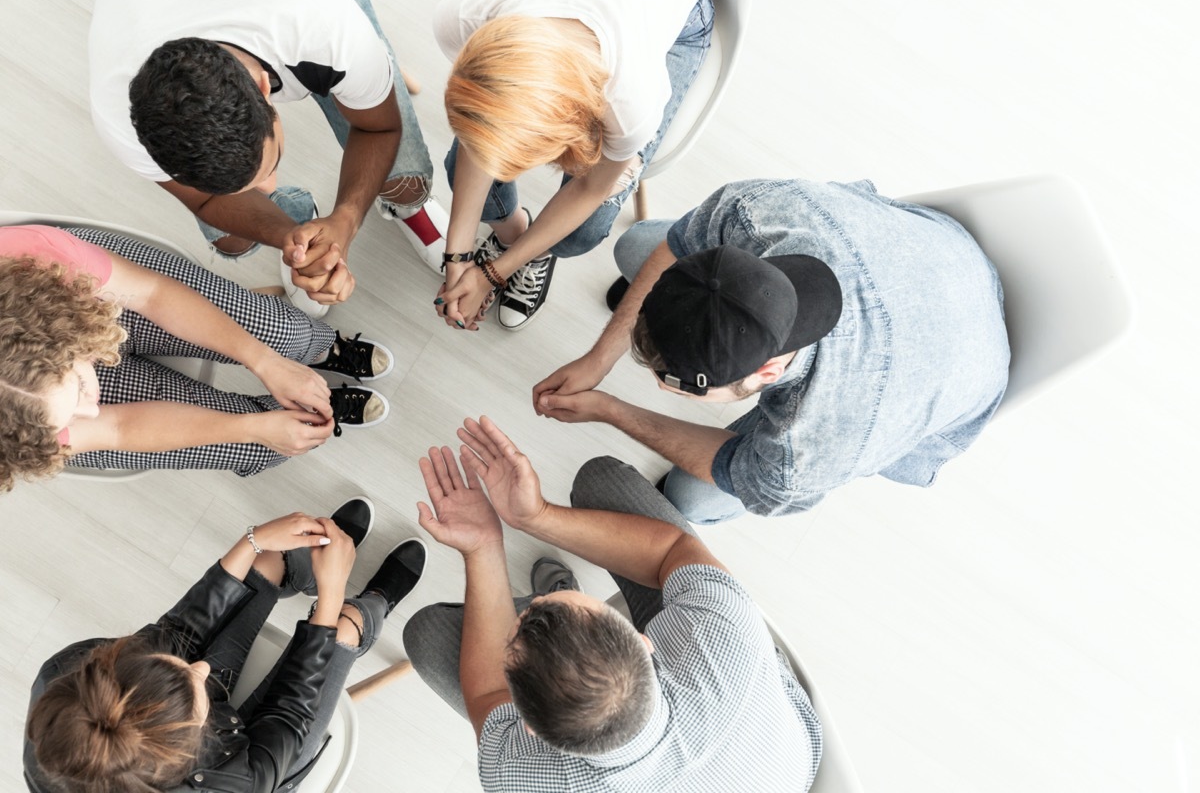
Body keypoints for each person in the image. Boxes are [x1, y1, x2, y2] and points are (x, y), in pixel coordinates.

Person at [533, 178, 1011, 523]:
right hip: (949, 256)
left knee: (692, 500)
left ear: (766, 371)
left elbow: (743, 471)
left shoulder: (808, 450)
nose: (659, 386)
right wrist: (599, 359)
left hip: (965, 364)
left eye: (673, 385)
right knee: (640, 243)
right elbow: (679, 246)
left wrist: (612, 410)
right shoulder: (760, 212)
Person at [403, 417, 822, 792]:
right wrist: (537, 516)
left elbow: (491, 692)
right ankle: (551, 648)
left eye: (541, 603)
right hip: (782, 769)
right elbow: (673, 550)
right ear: (645, 642)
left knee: (425, 634)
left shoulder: (520, 776)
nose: (539, 602)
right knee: (602, 479)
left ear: (529, 728)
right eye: (558, 599)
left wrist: (483, 546)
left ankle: (549, 647)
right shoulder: (720, 631)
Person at [23, 498, 426, 793]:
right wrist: (333, 592)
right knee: (343, 630)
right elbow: (288, 713)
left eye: (177, 667)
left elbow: (179, 629)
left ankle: (307, 564)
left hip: (176, 728)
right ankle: (373, 605)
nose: (201, 667)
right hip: (266, 755)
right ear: (188, 747)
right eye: (194, 682)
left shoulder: (69, 678)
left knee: (265, 561)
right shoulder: (232, 786)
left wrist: (252, 540)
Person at [89, 0, 448, 318]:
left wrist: (347, 219)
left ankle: (406, 198)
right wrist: (299, 244)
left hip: (315, 25)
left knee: (404, 180)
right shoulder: (119, 117)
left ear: (264, 86)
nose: (271, 186)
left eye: (269, 167)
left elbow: (380, 128)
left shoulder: (326, 25)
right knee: (229, 240)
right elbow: (204, 203)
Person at [0, 223, 392, 491]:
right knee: (260, 447)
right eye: (66, 421)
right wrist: (253, 428)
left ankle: (318, 347)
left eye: (82, 390)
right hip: (59, 349)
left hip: (76, 295)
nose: (91, 410)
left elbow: (151, 295)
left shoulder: (38, 258)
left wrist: (265, 361)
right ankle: (314, 408)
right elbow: (115, 428)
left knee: (279, 334)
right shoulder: (17, 426)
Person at [432, 0, 714, 330]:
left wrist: (495, 272)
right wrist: (457, 256)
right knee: (458, 172)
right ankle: (514, 236)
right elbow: (479, 135)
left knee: (583, 230)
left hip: (681, 18)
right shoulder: (464, 15)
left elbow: (591, 188)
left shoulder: (629, 101)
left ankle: (534, 251)